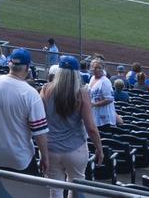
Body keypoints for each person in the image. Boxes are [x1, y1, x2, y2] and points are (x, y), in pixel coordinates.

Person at [0, 49, 49, 175]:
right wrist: (44, 156)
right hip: (21, 159)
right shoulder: (31, 94)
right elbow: (39, 133)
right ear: (27, 68)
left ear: (9, 64)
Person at [40, 56, 104, 194]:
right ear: (76, 73)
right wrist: (99, 148)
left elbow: (39, 122)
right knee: (76, 189)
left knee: (55, 191)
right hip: (76, 150)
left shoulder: (45, 89)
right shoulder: (82, 93)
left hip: (51, 148)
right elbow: (91, 128)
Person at [86, 59, 118, 129]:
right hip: (95, 114)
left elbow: (109, 99)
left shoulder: (105, 81)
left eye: (99, 68)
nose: (97, 70)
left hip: (105, 117)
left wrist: (94, 104)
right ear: (91, 68)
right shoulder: (92, 78)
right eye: (94, 67)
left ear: (103, 68)